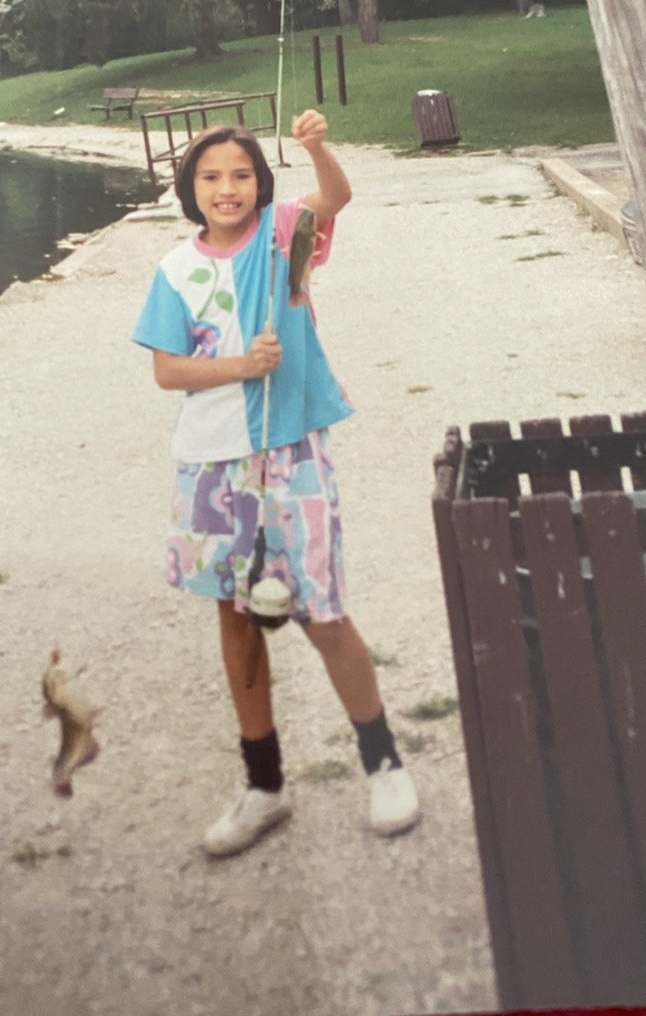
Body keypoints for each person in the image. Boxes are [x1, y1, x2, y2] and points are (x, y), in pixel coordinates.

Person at [132, 110, 420, 857]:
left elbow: (337, 198)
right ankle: (264, 785)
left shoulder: (286, 235)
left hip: (291, 450)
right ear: (189, 190)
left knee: (320, 613)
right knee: (236, 617)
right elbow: (168, 370)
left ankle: (383, 761)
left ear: (261, 184)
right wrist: (237, 366)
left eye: (241, 175)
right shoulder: (175, 268)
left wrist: (318, 149)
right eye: (210, 177)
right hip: (211, 462)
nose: (227, 188)